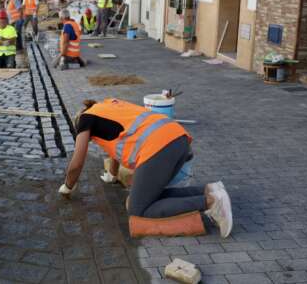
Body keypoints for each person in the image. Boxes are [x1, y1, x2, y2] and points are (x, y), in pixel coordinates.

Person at [59, 98, 233, 238]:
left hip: (158, 148)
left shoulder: (85, 119)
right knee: (152, 195)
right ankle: (209, 190)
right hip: (178, 138)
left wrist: (68, 186)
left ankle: (212, 202)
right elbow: (116, 148)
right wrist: (111, 175)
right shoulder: (108, 105)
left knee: (138, 208)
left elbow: (77, 161)